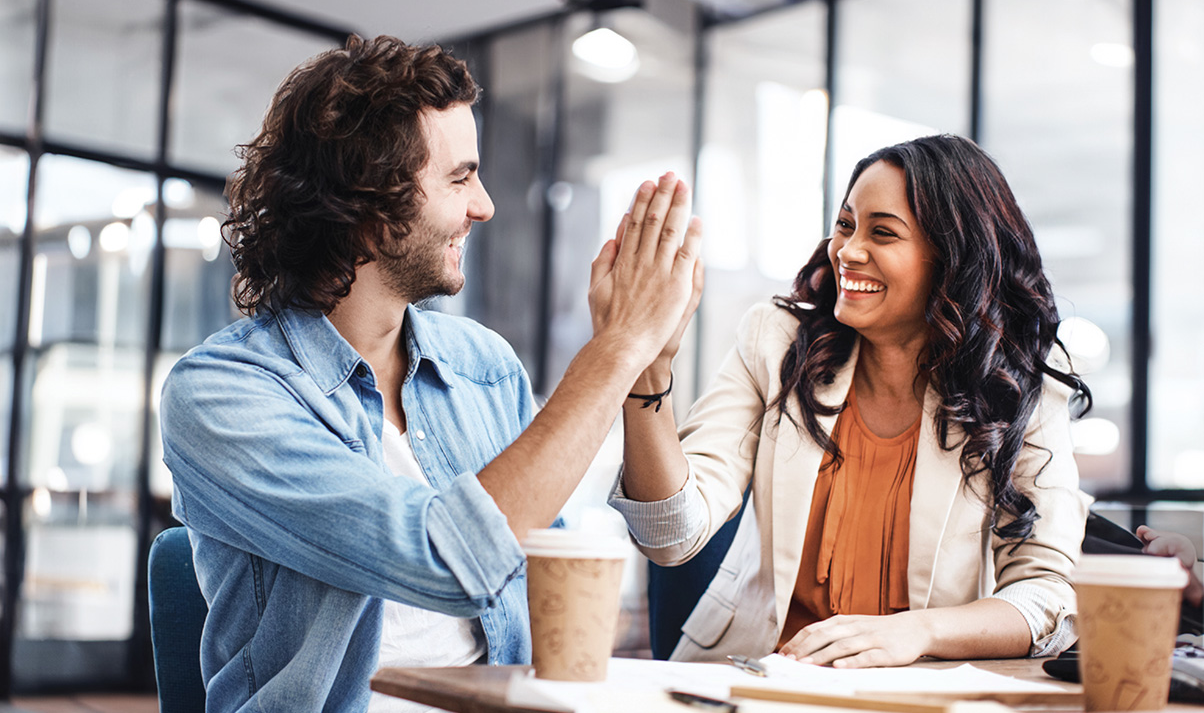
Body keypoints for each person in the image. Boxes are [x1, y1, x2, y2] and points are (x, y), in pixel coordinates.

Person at [159, 34, 702, 711]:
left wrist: (645, 361)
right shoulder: (221, 395)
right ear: (366, 207)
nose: (485, 205)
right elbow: (450, 560)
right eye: (459, 177)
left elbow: (545, 576)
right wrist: (615, 348)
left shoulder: (484, 367)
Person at [605, 134, 1091, 668]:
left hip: (923, 688)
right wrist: (645, 366)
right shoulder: (776, 339)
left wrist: (919, 632)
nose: (848, 251)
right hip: (758, 674)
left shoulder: (1020, 381)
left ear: (953, 259)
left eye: (882, 232)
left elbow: (1047, 592)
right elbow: (668, 534)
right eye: (845, 224)